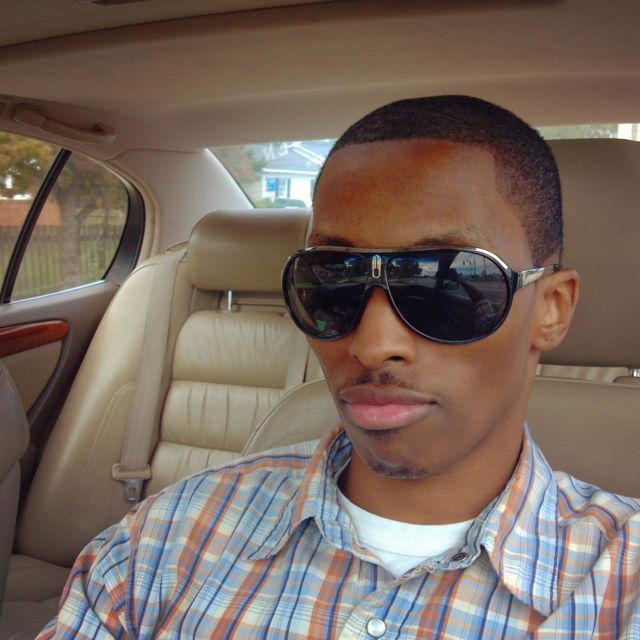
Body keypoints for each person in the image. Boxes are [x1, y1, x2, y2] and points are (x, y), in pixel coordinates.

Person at [38, 96, 639, 639]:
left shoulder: (622, 585)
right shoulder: (165, 537)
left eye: (445, 281)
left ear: (551, 310)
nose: (372, 344)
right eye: (334, 281)